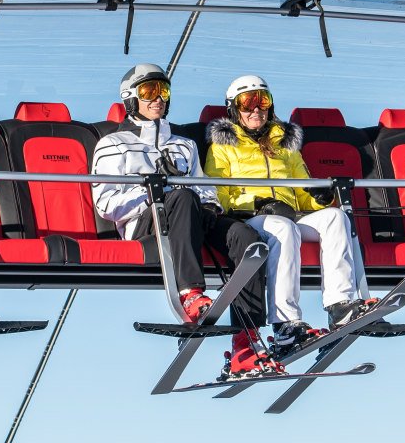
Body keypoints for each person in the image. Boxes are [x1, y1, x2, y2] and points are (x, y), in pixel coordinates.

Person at [91, 64, 277, 378]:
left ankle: (246, 341)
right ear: (131, 98)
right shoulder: (114, 144)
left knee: (247, 239)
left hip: (192, 217)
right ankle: (190, 293)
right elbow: (106, 204)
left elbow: (207, 192)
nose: (158, 99)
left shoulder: (184, 144)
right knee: (179, 196)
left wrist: (201, 200)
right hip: (145, 226)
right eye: (150, 92)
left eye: (164, 91)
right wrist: (156, 191)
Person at [204, 73, 374, 356]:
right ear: (234, 108)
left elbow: (303, 186)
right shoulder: (223, 146)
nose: (256, 109)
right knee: (284, 229)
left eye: (263, 101)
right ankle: (285, 324)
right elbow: (218, 193)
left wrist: (322, 198)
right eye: (248, 102)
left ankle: (340, 304)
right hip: (251, 218)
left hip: (290, 214)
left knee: (336, 218)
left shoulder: (284, 142)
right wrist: (258, 203)